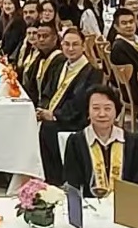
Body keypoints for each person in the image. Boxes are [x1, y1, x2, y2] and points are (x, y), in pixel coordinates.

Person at [36, 26, 102, 184]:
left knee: (47, 129)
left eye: (75, 44)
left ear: (83, 46)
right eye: (67, 44)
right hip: (53, 113)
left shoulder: (91, 73)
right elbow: (47, 92)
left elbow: (79, 103)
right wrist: (42, 109)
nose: (70, 49)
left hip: (74, 119)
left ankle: (55, 179)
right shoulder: (61, 66)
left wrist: (54, 115)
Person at [61, 87, 138, 195]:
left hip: (125, 203)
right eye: (96, 108)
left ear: (116, 111)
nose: (102, 114)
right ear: (88, 111)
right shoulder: (76, 142)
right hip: (88, 204)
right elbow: (73, 185)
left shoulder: (133, 141)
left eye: (107, 108)